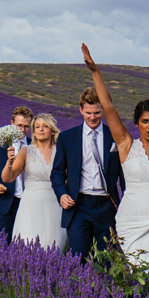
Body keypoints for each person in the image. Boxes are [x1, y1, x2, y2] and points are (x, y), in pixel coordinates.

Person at [81, 43, 149, 281]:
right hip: (132, 221)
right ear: (137, 123)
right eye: (145, 121)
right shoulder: (127, 145)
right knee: (131, 275)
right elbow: (107, 106)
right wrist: (95, 71)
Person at [51, 76, 124, 258]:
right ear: (81, 110)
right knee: (77, 256)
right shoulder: (67, 138)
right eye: (89, 112)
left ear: (103, 111)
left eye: (97, 113)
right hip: (78, 205)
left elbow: (125, 177)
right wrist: (62, 194)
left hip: (107, 205)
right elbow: (57, 173)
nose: (93, 117)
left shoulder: (115, 137)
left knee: (108, 259)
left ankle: (106, 287)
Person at [4, 112, 67, 251]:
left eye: (45, 126)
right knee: (28, 241)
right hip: (31, 205)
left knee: (54, 243)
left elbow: (68, 177)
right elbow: (8, 178)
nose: (41, 129)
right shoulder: (26, 151)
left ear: (52, 130)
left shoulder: (61, 151)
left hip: (55, 204)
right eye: (37, 126)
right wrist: (9, 162)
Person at [0, 106, 33, 237]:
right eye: (19, 125)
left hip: (27, 202)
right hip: (3, 202)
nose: (23, 130)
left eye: (26, 127)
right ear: (12, 123)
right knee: (1, 244)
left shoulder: (33, 145)